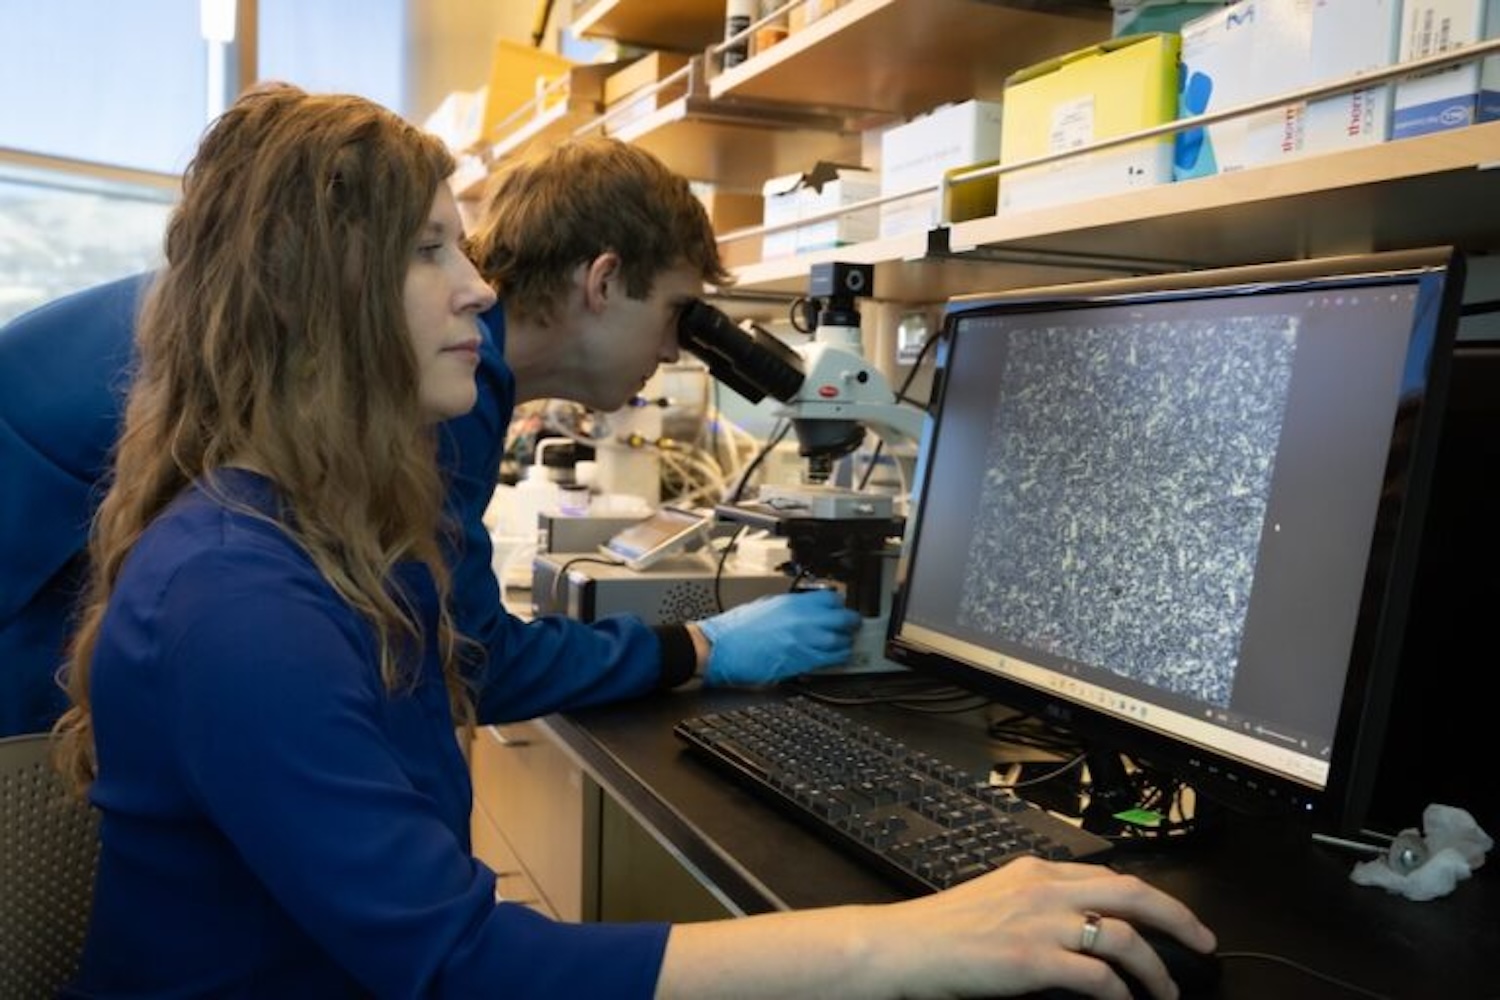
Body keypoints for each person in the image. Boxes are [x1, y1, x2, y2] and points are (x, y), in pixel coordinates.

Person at [51, 82, 1214, 998]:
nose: (475, 289)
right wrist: (901, 941)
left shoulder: (343, 540)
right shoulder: (236, 601)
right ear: (320, 294)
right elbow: (458, 966)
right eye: (429, 250)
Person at [0, 139, 853, 744]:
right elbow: (465, 658)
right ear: (602, 280)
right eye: (676, 315)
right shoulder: (445, 378)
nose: (673, 352)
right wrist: (706, 647)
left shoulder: (447, 360)